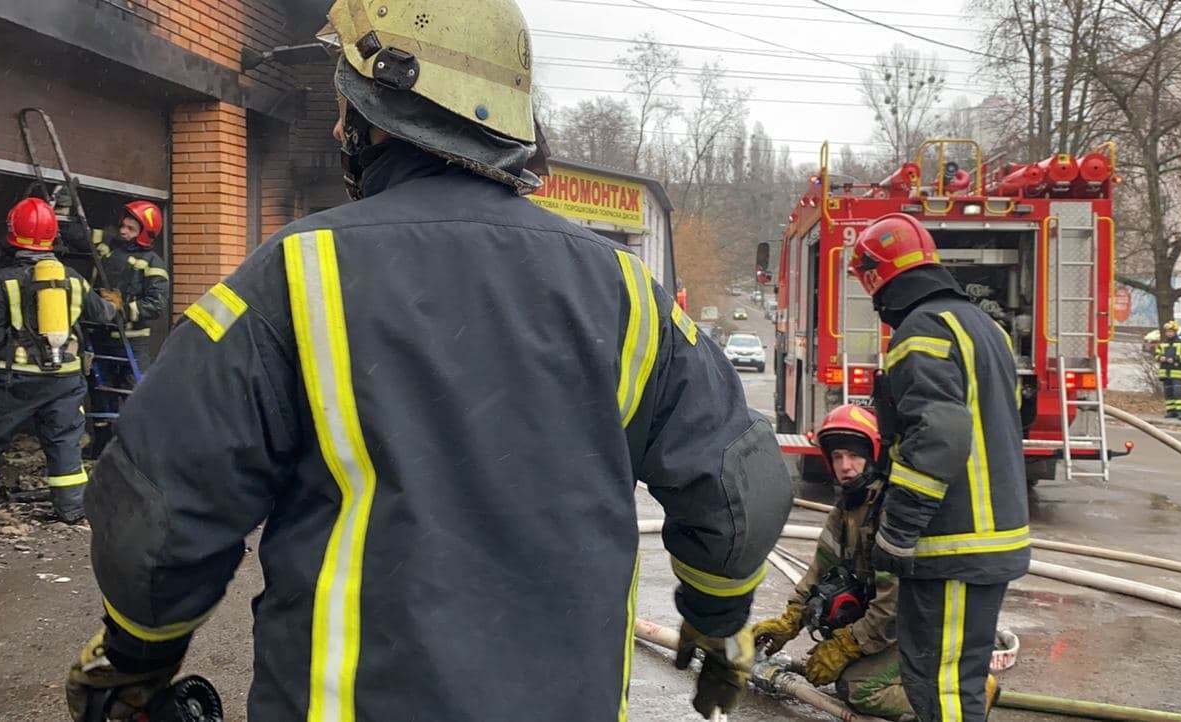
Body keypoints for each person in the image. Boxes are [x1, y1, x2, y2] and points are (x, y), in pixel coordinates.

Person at [64, 2, 793, 720]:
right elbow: (737, 487)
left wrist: (135, 657)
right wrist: (718, 620)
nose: (338, 128)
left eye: (347, 106)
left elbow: (163, 502)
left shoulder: (294, 273)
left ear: (384, 111)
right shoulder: (626, 292)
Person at [848, 213, 1027, 722]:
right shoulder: (987, 328)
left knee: (940, 686)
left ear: (876, 276)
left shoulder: (921, 330)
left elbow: (938, 436)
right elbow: (1002, 419)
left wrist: (898, 530)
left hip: (953, 543)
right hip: (991, 539)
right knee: (956, 681)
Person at [756, 404, 929, 720]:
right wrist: (789, 622)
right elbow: (818, 572)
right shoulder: (846, 510)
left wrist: (845, 646)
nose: (845, 466)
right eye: (837, 456)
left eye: (853, 455)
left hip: (919, 627)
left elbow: (892, 605)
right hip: (894, 626)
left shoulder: (891, 512)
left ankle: (957, 694)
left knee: (858, 687)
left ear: (873, 455)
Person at [0, 197, 114, 520]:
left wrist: (11, 350)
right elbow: (102, 314)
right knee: (65, 441)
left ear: (13, 234)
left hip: (15, 379)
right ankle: (71, 508)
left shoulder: (0, 281)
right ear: (52, 237)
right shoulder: (73, 278)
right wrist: (113, 303)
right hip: (65, 378)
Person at [86, 201, 169, 453]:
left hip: (131, 343)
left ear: (145, 233)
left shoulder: (153, 264)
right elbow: (79, 234)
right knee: (100, 393)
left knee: (136, 395)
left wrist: (122, 308)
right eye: (123, 225)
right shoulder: (106, 247)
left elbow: (156, 305)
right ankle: (101, 448)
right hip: (100, 337)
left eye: (131, 229)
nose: (123, 231)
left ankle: (143, 451)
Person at [1154, 320, 1181, 419]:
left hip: (1177, 373)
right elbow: (1156, 355)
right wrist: (1160, 358)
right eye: (1168, 331)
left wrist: (1176, 359)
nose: (1169, 333)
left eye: (1171, 331)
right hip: (1165, 373)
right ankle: (1171, 412)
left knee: (1178, 393)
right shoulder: (1163, 344)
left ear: (1175, 332)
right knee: (1168, 393)